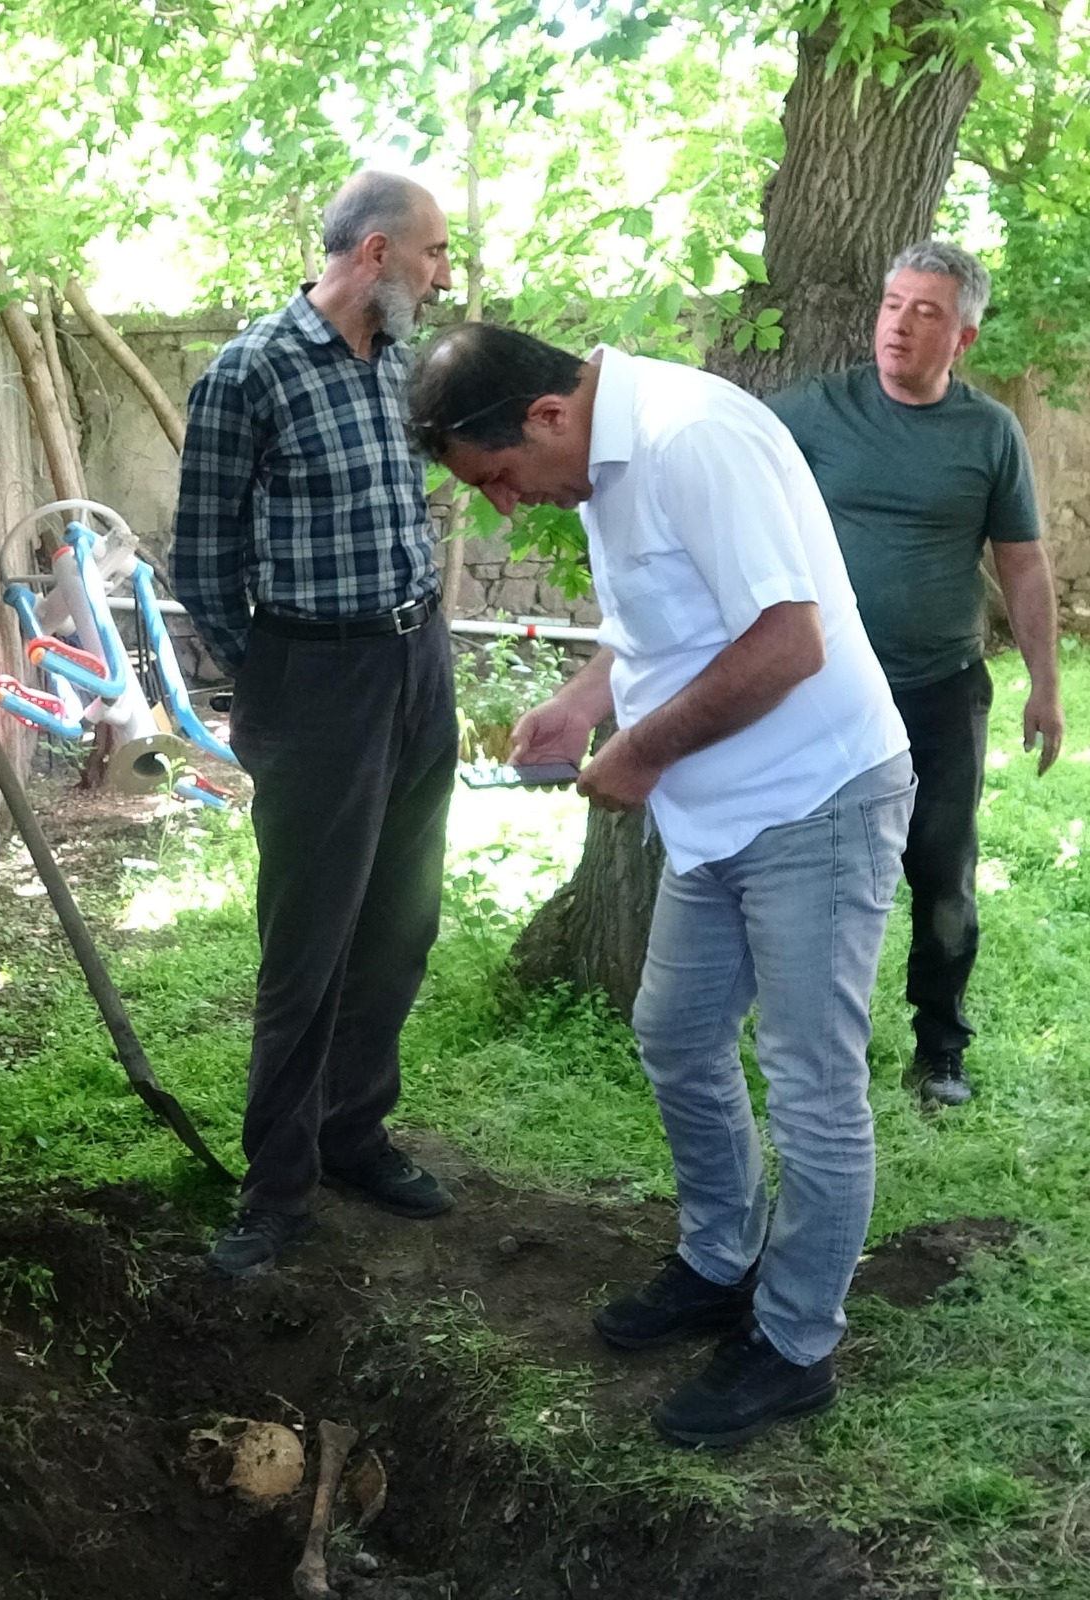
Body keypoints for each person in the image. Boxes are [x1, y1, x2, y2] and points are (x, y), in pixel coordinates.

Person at [406, 323, 914, 1448]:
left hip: (816, 800)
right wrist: (589, 703)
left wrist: (638, 753)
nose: (505, 505)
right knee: (676, 1031)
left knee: (809, 1085)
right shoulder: (605, 455)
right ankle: (719, 1259)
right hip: (718, 814)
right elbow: (672, 615)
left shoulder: (689, 440)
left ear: (544, 416)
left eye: (497, 479)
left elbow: (786, 642)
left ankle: (792, 1343)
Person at [173, 171, 458, 1278]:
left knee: (399, 921)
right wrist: (279, 682)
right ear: (377, 254)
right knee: (308, 943)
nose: (443, 275)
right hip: (315, 679)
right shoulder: (248, 373)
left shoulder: (399, 368)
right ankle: (275, 1186)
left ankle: (353, 1135)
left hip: (416, 663)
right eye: (433, 254)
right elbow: (200, 562)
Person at [767, 241, 1064, 1108]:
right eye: (893, 305)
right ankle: (822, 1042)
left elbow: (1024, 564)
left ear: (963, 337)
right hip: (821, 689)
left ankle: (939, 1048)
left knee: (940, 871)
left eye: (926, 311)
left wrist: (1046, 684)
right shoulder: (812, 413)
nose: (900, 325)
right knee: (811, 865)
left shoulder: (989, 433)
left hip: (939, 688)